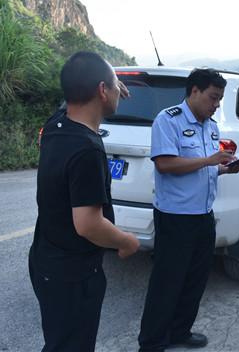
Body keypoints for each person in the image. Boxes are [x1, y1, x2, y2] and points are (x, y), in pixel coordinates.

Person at [29, 51, 140, 352]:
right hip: (73, 275)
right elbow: (88, 224)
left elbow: (74, 95)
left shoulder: (56, 126)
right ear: (102, 91)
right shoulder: (86, 150)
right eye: (114, 86)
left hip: (46, 259)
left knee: (58, 341)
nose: (118, 91)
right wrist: (126, 241)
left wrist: (109, 85)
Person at [138, 68, 239, 352]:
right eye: (213, 97)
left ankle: (180, 331)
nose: (216, 104)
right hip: (175, 217)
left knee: (195, 278)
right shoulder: (168, 120)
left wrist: (224, 169)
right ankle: (152, 342)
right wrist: (210, 160)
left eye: (219, 99)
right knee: (167, 282)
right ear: (194, 91)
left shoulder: (211, 126)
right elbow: (165, 164)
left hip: (203, 215)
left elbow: (203, 169)